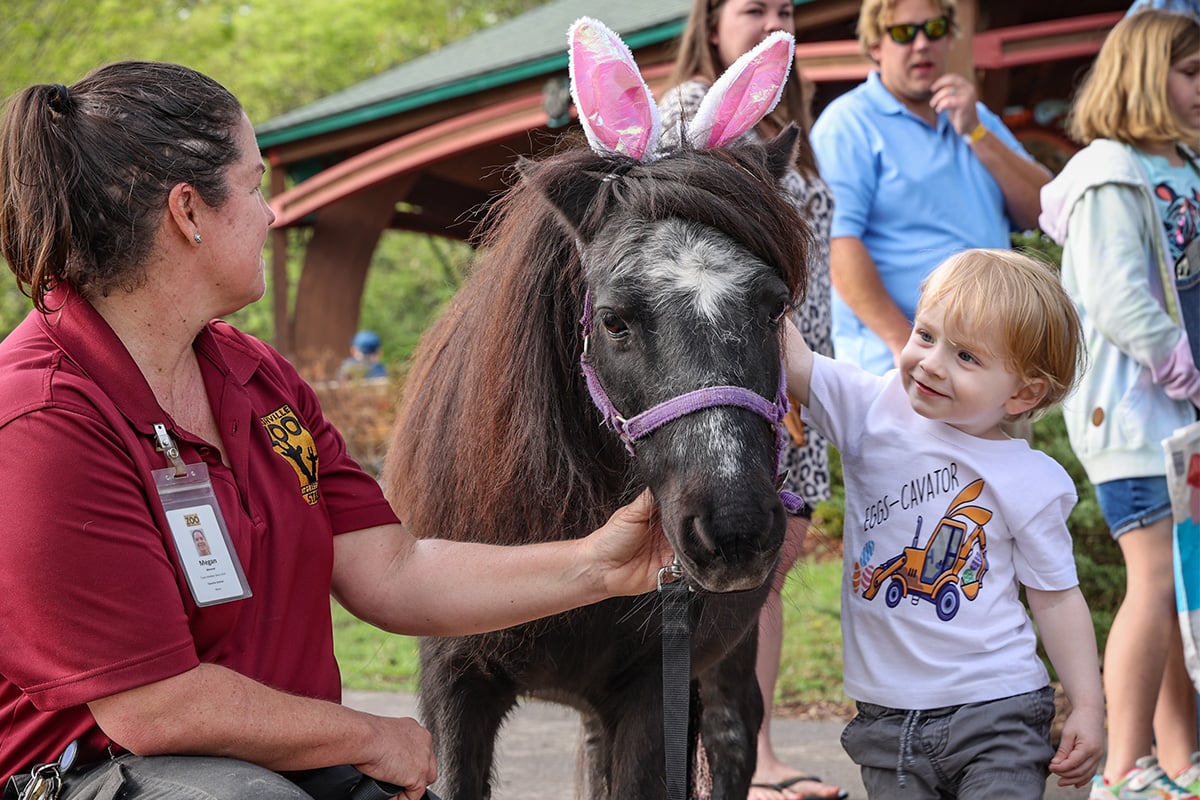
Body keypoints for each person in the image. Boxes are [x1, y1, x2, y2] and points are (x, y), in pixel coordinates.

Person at [0, 61, 673, 800]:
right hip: (95, 774)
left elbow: (394, 571)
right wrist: (366, 737)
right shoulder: (41, 421)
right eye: (255, 187)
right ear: (188, 212)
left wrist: (599, 564)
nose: (271, 215)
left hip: (278, 768)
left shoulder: (255, 377)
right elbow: (154, 708)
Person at [784, 248, 1105, 796]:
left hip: (998, 711)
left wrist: (1088, 705)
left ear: (1023, 392)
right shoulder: (870, 409)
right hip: (887, 721)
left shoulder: (1030, 479)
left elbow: (1055, 597)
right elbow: (789, 356)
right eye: (926, 335)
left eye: (966, 356)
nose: (932, 363)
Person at [659, 2, 843, 798]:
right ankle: (706, 759)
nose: (774, 21)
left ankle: (759, 753)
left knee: (771, 565)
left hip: (801, 371)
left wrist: (815, 376)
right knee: (707, 572)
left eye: (785, 8)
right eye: (752, 7)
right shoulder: (686, 113)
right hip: (729, 376)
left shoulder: (793, 123)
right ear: (711, 23)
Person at [1038, 8, 1200, 797]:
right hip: (1134, 418)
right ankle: (1122, 768)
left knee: (1172, 590)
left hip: (1177, 420)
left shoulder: (1181, 162)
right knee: (1156, 579)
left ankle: (1178, 761)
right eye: (1191, 73)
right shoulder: (1108, 171)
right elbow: (1116, 294)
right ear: (1142, 74)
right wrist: (1183, 367)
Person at [809, 0, 1051, 376]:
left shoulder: (975, 117)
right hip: (897, 368)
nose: (921, 43)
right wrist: (902, 345)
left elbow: (1045, 210)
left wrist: (976, 133)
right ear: (875, 45)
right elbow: (838, 246)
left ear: (950, 37)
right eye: (904, 32)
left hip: (989, 359)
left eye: (934, 29)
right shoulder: (847, 124)